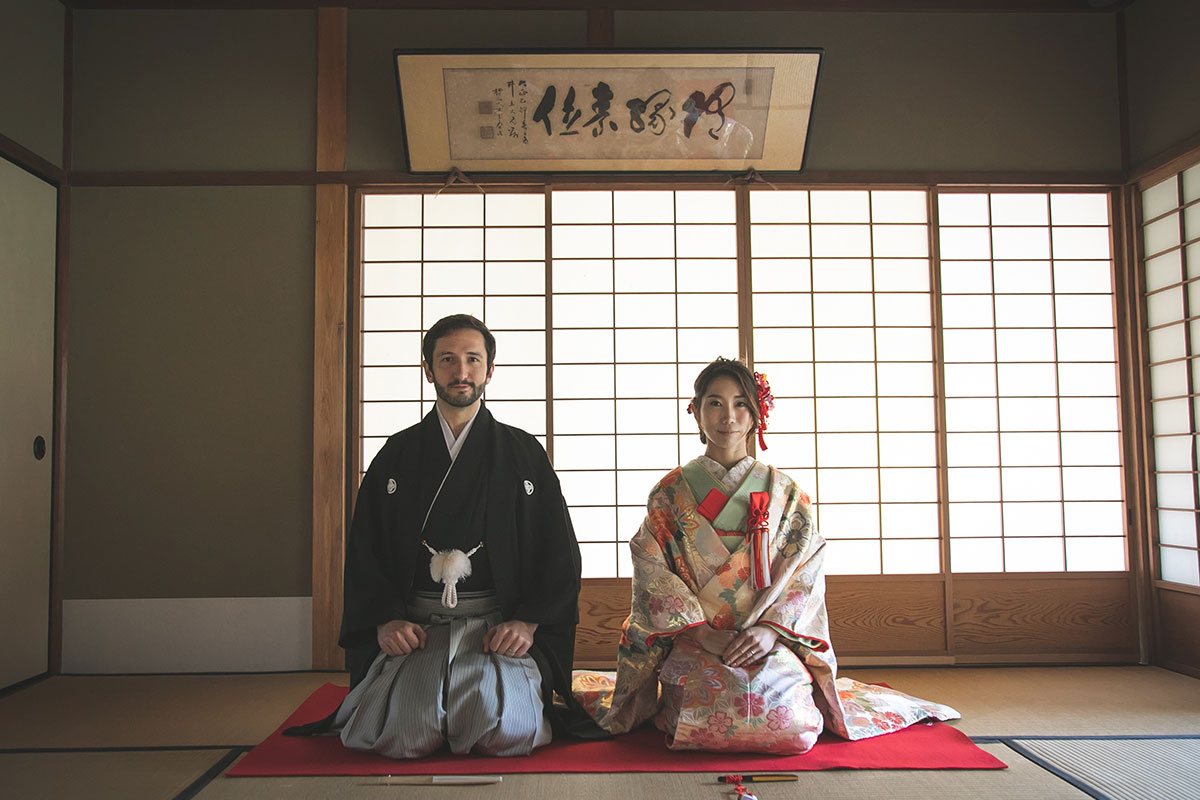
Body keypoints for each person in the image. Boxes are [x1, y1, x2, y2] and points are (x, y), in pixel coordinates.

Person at [576, 357, 957, 753]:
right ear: (696, 410)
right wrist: (701, 633)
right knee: (704, 710)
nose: (729, 416)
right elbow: (651, 567)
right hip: (696, 639)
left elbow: (806, 571)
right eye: (715, 403)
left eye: (741, 403)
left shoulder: (786, 493)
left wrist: (770, 630)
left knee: (791, 725)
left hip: (768, 640)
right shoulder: (669, 493)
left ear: (758, 413)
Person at [289, 314, 583, 758]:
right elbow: (366, 548)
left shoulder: (522, 452)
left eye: (472, 359)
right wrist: (385, 620)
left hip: (496, 626)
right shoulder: (398, 452)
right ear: (428, 368)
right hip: (418, 627)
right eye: (447, 359)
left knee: (508, 732)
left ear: (490, 369)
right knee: (405, 735)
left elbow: (557, 549)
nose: (460, 372)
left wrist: (528, 622)